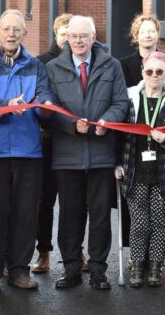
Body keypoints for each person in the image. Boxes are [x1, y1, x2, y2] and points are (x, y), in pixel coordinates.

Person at [0, 9, 55, 292]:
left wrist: (44, 107)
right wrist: (6, 106)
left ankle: (19, 270)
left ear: (24, 34)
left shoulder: (37, 66)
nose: (11, 34)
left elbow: (44, 96)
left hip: (29, 152)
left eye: (16, 29)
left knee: (25, 214)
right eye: (6, 29)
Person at [46, 15, 129, 290]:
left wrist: (107, 120)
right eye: (74, 36)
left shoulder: (112, 65)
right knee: (70, 214)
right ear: (66, 38)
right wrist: (70, 125)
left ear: (94, 38)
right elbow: (48, 106)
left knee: (101, 215)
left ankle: (98, 270)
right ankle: (71, 268)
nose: (78, 41)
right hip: (67, 154)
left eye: (84, 36)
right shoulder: (53, 68)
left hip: (101, 153)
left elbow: (121, 102)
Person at [115, 51, 165, 287]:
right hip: (134, 169)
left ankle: (156, 266)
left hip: (164, 171)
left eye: (159, 71)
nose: (154, 75)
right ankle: (137, 266)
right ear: (142, 73)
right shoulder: (129, 98)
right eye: (149, 71)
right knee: (139, 223)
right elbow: (118, 134)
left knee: (159, 222)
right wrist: (117, 162)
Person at [31, 13, 72, 274]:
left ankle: (74, 251)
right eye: (64, 33)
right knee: (44, 201)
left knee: (72, 202)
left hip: (72, 140)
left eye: (72, 34)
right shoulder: (42, 62)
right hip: (47, 140)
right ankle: (43, 251)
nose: (68, 39)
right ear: (55, 35)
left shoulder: (84, 61)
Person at [120, 14, 165, 102]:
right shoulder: (123, 66)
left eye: (152, 31)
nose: (148, 35)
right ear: (136, 36)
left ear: (158, 34)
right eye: (143, 32)